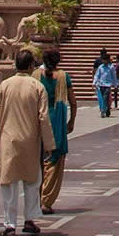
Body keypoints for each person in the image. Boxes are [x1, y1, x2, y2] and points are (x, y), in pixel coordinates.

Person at [0, 50, 55, 236]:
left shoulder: (5, 86)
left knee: (8, 183)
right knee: (32, 182)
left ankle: (9, 224)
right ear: (31, 66)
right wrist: (49, 144)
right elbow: (44, 117)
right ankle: (30, 220)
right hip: (30, 140)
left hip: (8, 140)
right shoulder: (37, 87)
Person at [36, 50, 76, 214]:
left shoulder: (35, 76)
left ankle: (36, 199)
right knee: (54, 160)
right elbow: (73, 102)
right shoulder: (63, 77)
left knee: (38, 161)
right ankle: (46, 200)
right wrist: (71, 121)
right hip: (56, 121)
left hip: (38, 120)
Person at [93, 53, 115, 118]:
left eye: (105, 60)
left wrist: (115, 85)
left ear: (108, 60)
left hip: (108, 85)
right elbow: (97, 75)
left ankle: (103, 111)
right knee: (104, 98)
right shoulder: (100, 67)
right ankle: (107, 110)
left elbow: (114, 76)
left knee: (105, 98)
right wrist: (94, 83)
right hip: (101, 85)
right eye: (103, 60)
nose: (104, 61)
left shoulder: (111, 67)